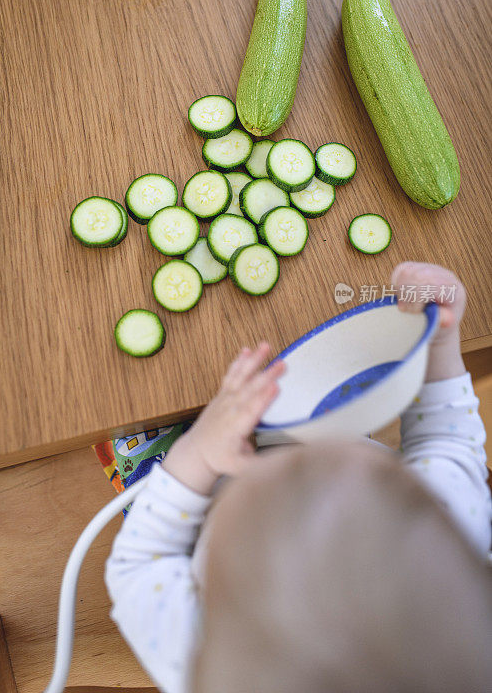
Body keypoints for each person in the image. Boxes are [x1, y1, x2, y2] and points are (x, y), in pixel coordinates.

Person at [105, 262, 492, 693]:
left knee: (127, 420)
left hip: (191, 499)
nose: (287, 463)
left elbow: (138, 564)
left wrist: (197, 455)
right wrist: (437, 338)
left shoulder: (191, 653)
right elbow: (447, 440)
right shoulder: (452, 535)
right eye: (345, 464)